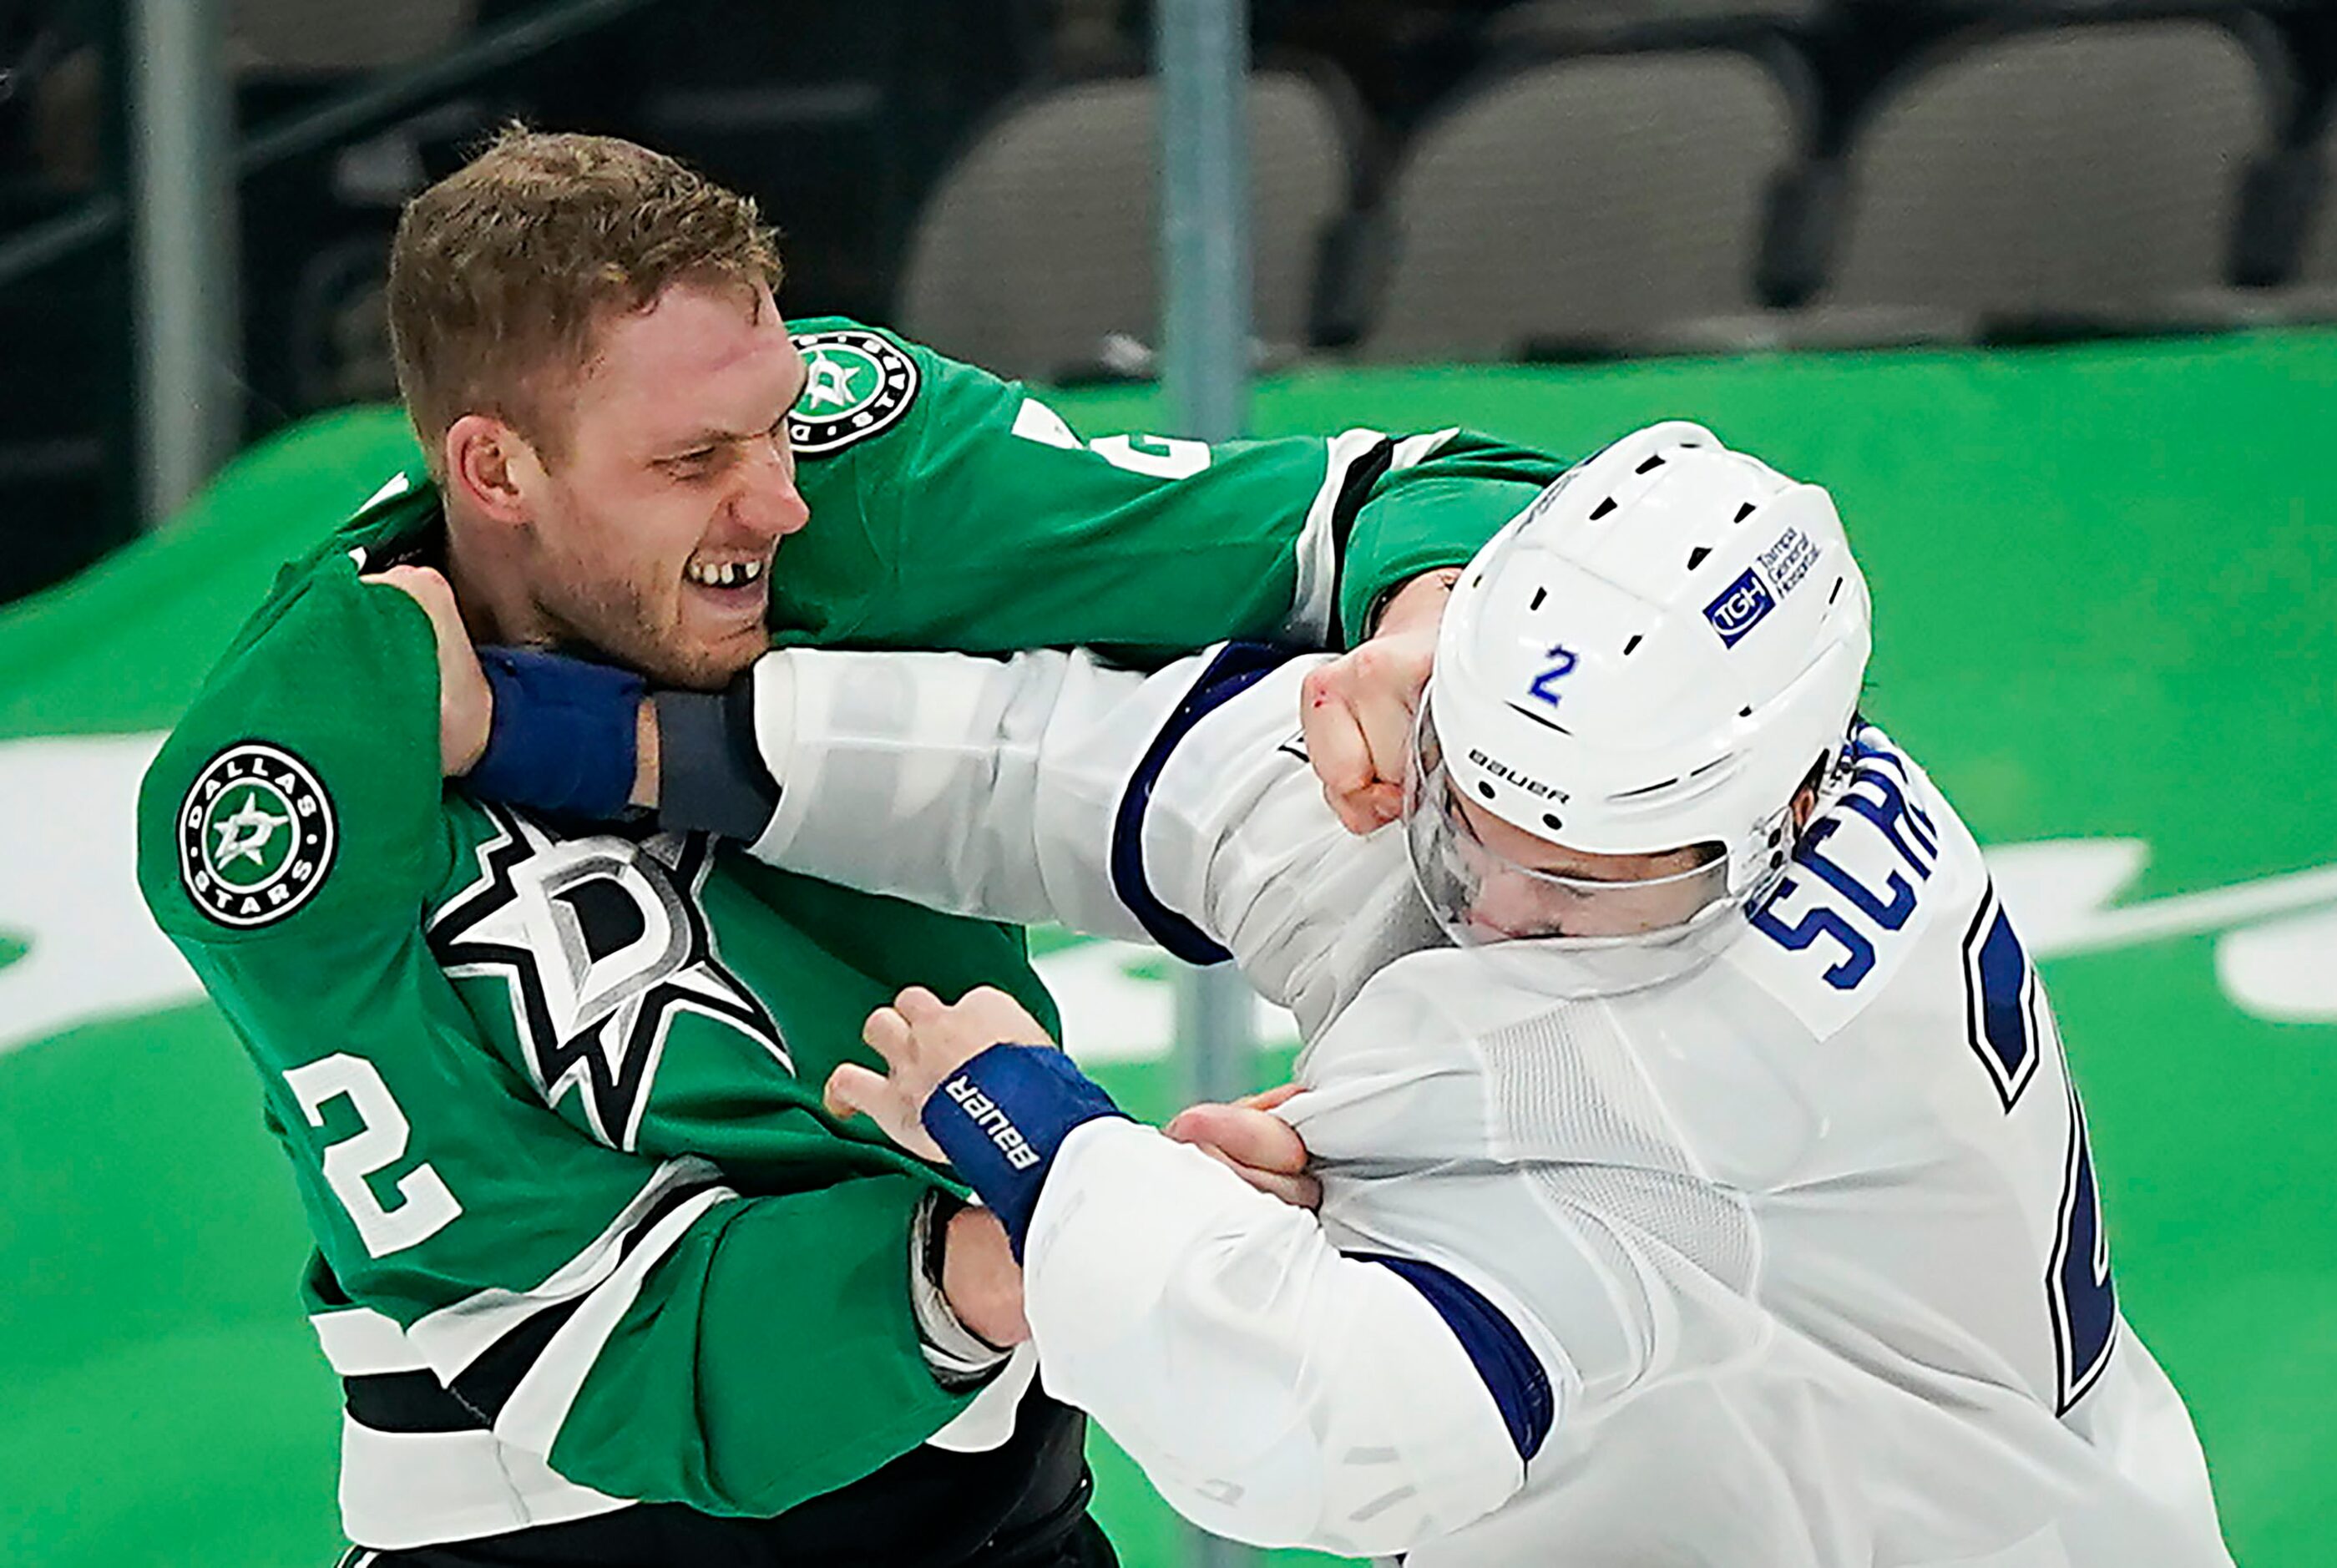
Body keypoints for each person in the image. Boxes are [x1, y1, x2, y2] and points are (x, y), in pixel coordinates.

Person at [133, 127, 1550, 1566]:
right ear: (496, 466)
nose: (777, 503)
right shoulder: (277, 798)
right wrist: (1023, 1252)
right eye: (692, 461)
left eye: (778, 424)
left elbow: (1440, 490)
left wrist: (1434, 622)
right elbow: (588, 1353)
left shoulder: (863, 469)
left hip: (1001, 1499)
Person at [473, 422, 2234, 1563]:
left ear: (1773, 808)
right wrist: (587, 731)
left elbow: (1324, 1428)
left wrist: (1046, 1146)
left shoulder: (1683, 1069)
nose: (1507, 917)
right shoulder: (1688, 783)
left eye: (1582, 878)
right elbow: (1089, 770)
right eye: (1479, 829)